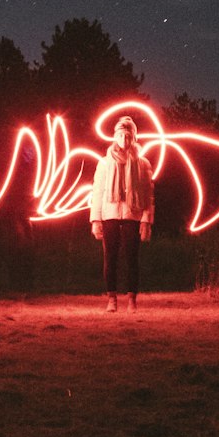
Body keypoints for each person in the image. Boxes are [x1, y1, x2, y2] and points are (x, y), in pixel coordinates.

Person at [89, 114, 155, 312]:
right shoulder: (104, 163)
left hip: (132, 215)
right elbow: (98, 191)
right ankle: (112, 299)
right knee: (110, 257)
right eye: (120, 135)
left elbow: (148, 195)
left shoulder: (143, 164)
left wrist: (146, 221)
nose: (124, 140)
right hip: (109, 214)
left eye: (127, 136)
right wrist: (96, 220)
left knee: (131, 258)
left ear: (134, 138)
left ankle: (132, 299)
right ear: (114, 136)